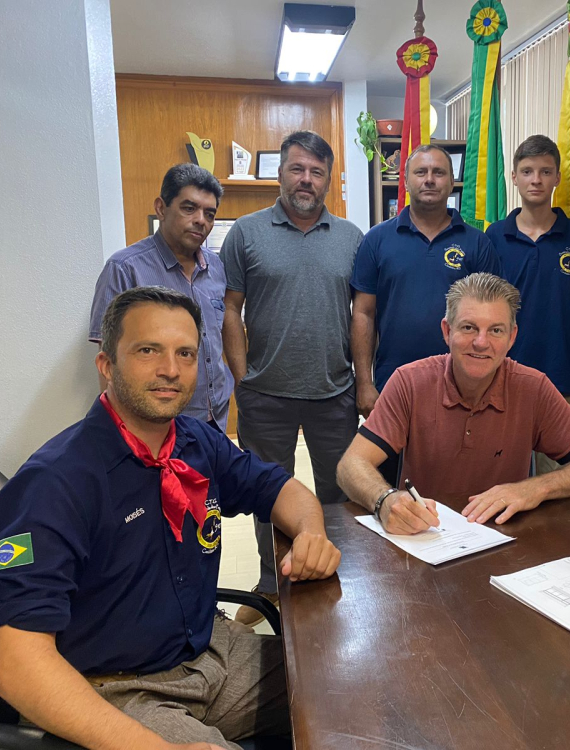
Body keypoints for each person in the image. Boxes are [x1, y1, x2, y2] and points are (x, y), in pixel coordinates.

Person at [0, 286, 341, 750]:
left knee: (344, 688)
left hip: (209, 653)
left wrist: (311, 530)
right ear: (106, 364)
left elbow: (279, 488)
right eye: (148, 350)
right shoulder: (55, 483)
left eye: (185, 353)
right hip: (114, 689)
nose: (171, 369)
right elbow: (12, 664)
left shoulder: (195, 441)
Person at [337, 273, 570, 534]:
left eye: (496, 330)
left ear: (512, 337)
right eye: (469, 327)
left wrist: (535, 488)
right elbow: (351, 465)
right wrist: (384, 499)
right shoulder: (410, 382)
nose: (481, 342)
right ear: (447, 331)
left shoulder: (533, 388)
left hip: (504, 538)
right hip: (426, 536)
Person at [219, 130, 361, 627]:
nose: (306, 179)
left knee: (338, 494)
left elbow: (364, 314)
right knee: (269, 495)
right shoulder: (245, 233)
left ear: (327, 180)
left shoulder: (349, 237)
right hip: (266, 396)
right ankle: (270, 583)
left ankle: (335, 572)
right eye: (297, 169)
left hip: (333, 393)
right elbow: (230, 309)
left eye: (316, 172)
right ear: (279, 173)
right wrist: (243, 380)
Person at [351, 144, 501, 419]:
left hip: (463, 385)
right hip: (392, 385)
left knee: (457, 460)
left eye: (438, 172)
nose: (429, 179)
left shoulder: (478, 243)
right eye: (421, 172)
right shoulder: (377, 240)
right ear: (406, 181)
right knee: (392, 462)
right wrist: (364, 383)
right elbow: (363, 313)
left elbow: (491, 320)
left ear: (452, 181)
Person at [90, 163, 233, 430]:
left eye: (209, 214)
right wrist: (119, 430)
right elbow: (108, 355)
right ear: (161, 208)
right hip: (156, 424)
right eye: (189, 208)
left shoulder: (217, 268)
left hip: (214, 416)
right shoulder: (125, 268)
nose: (201, 220)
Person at [486, 135, 570, 474]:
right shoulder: (493, 238)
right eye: (527, 171)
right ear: (513, 177)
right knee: (503, 475)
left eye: (545, 172)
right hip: (503, 377)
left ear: (558, 177)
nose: (536, 180)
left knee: (558, 479)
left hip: (563, 377)